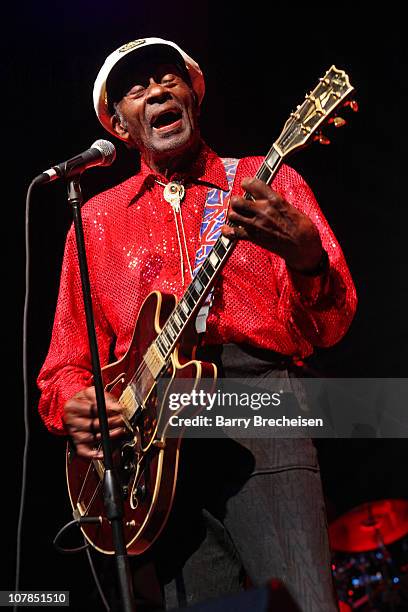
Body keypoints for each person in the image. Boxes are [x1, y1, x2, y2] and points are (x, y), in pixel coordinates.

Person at [37, 37, 357, 611]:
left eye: (169, 78)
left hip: (258, 404)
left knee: (304, 602)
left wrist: (308, 259)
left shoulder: (267, 182)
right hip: (153, 451)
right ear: (118, 125)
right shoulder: (94, 222)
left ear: (194, 96)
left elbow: (331, 326)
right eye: (136, 88)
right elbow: (65, 362)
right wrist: (74, 404)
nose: (157, 91)